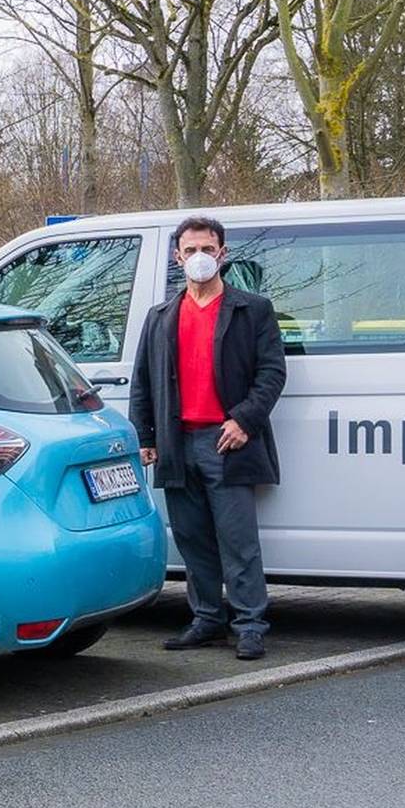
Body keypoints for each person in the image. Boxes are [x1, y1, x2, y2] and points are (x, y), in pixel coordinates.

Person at [127, 214, 287, 661]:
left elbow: (272, 372)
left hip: (227, 442)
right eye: (190, 250)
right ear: (177, 257)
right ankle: (206, 620)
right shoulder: (161, 316)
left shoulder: (251, 309)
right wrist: (146, 435)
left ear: (223, 253)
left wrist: (244, 421)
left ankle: (251, 624)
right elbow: (143, 382)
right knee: (193, 539)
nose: (199, 257)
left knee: (238, 541)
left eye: (207, 249)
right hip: (178, 445)